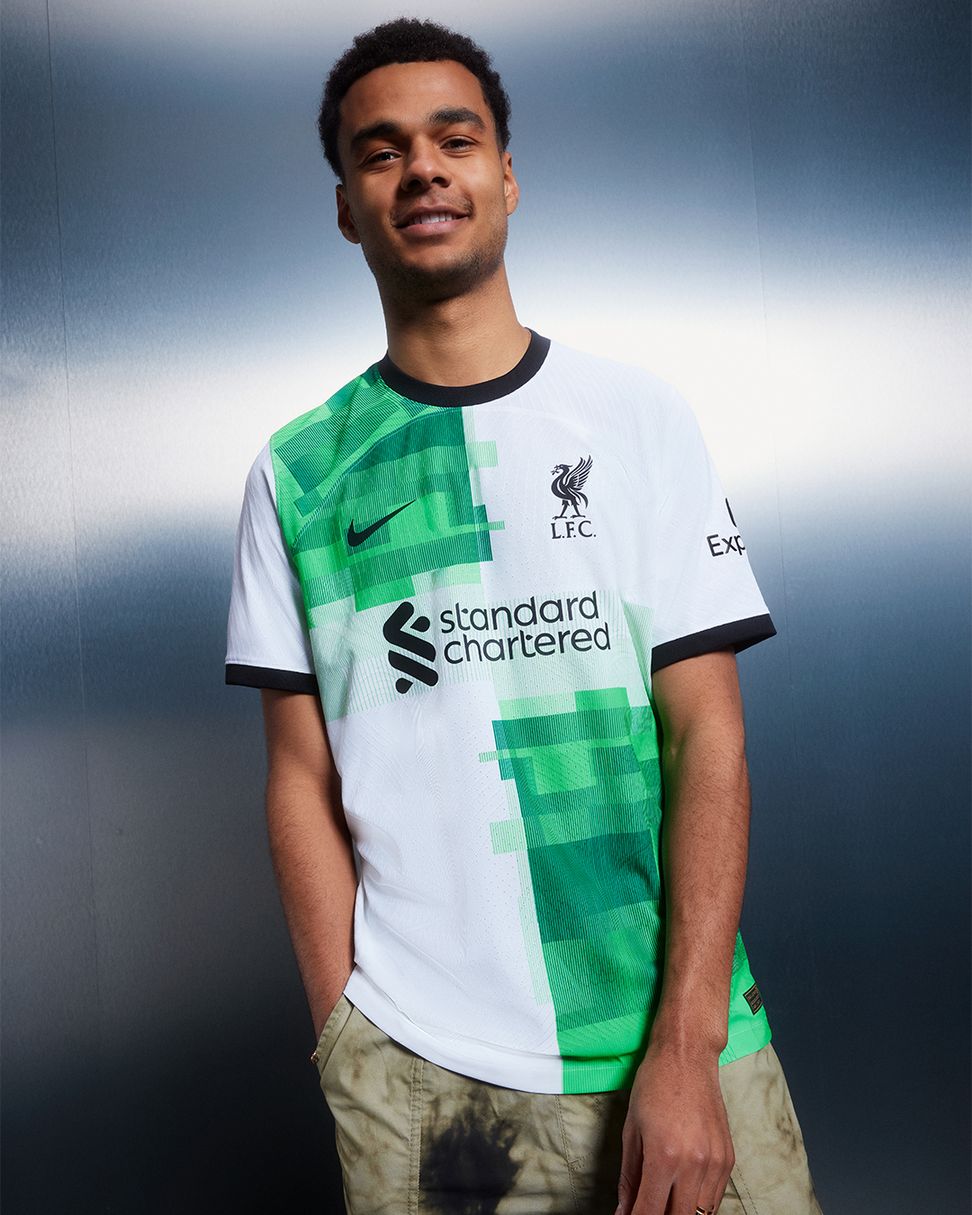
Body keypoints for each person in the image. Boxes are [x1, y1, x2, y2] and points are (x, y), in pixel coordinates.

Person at [226, 17, 823, 1215]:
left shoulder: (637, 420)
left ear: (506, 176)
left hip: (674, 1040)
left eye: (456, 140)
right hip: (422, 1068)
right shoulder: (299, 472)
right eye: (382, 151)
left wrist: (685, 1044)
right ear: (346, 207)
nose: (423, 169)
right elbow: (300, 776)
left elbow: (707, 734)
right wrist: (346, 1035)